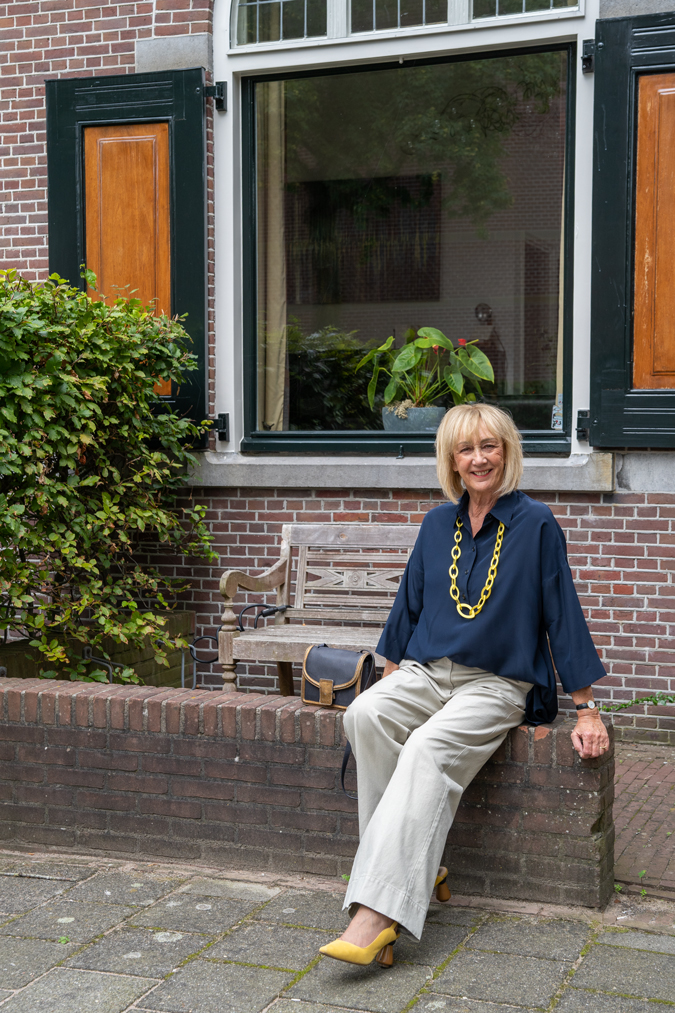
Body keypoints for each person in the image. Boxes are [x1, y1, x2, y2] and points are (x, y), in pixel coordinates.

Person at [319, 402, 610, 968]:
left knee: (427, 748)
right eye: (466, 449)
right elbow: (408, 607)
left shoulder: (537, 524)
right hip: (428, 672)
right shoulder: (437, 525)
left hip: (496, 684)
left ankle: (377, 914)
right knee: (364, 716)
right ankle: (414, 865)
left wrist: (587, 708)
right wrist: (388, 676)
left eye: (490, 446)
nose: (479, 459)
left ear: (507, 452)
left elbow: (563, 614)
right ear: (451, 460)